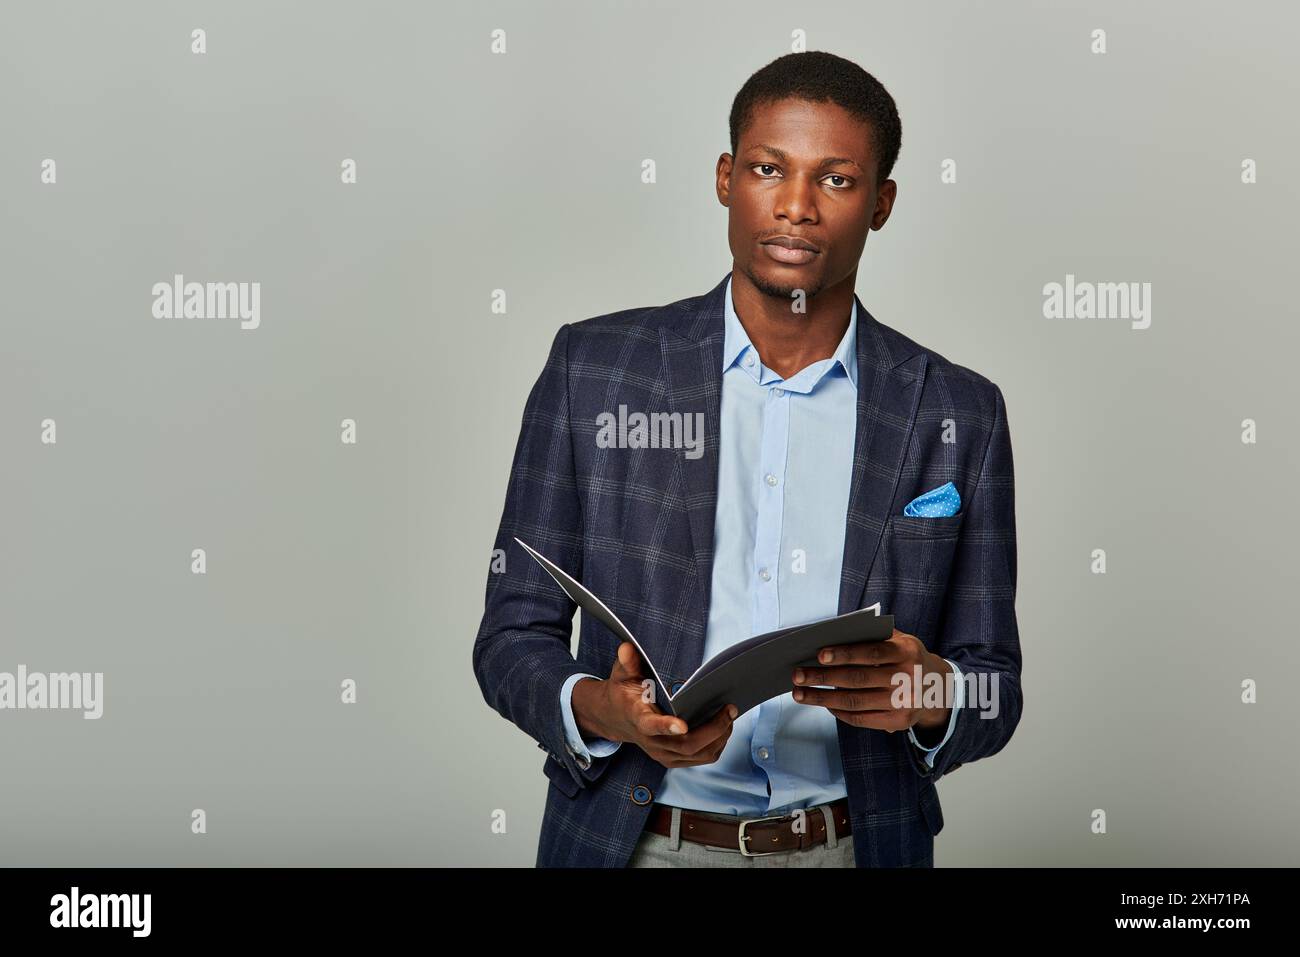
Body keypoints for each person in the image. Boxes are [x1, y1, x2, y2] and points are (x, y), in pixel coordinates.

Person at [473, 50, 1022, 868]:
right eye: (770, 168)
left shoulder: (957, 411)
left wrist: (931, 693)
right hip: (635, 844)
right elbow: (511, 636)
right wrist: (603, 709)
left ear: (881, 203)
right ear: (727, 177)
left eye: (836, 180)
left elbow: (996, 684)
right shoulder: (593, 370)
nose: (796, 206)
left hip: (854, 844)